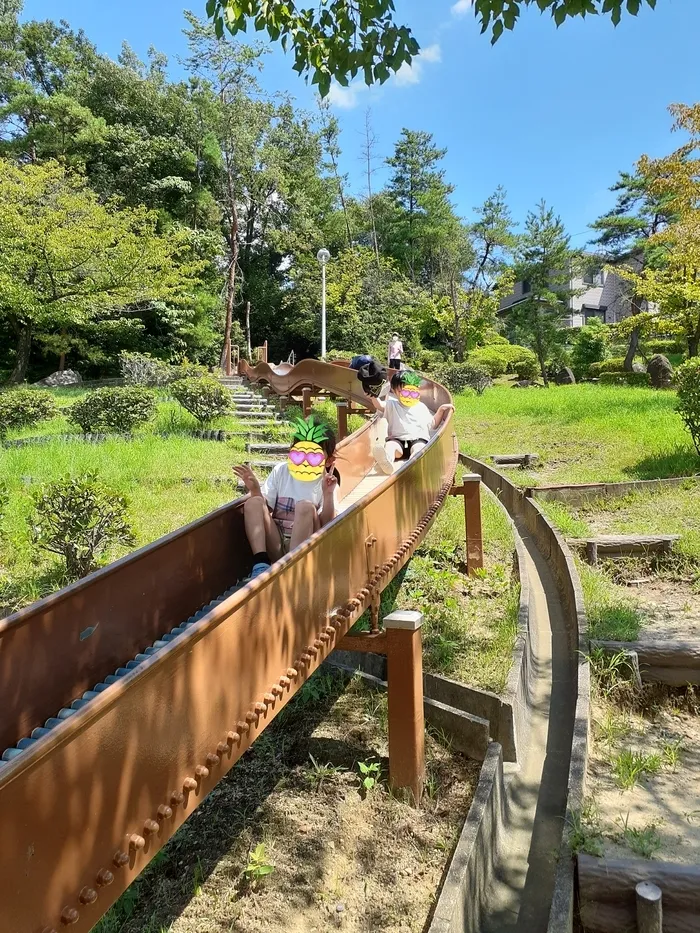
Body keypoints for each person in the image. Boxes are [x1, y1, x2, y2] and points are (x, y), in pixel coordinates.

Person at [233, 416, 339, 579]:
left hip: (304, 549)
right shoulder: (282, 471)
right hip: (277, 543)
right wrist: (255, 489)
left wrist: (328, 493)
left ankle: (292, 570)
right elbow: (264, 510)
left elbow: (327, 524)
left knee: (304, 506)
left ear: (328, 460)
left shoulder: (326, 482)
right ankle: (261, 563)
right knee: (254, 502)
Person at [369, 371, 454, 474]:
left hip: (417, 440)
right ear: (394, 391)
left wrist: (440, 410)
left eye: (412, 391)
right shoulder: (392, 405)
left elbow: (432, 424)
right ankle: (387, 461)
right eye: (403, 392)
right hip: (398, 440)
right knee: (391, 446)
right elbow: (379, 405)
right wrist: (372, 395)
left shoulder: (421, 407)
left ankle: (413, 463)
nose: (408, 396)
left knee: (418, 448)